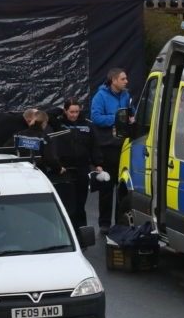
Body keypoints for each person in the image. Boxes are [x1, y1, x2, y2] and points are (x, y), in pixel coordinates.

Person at [91, 68, 133, 232]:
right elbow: (96, 118)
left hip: (123, 146)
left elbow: (131, 112)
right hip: (107, 146)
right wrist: (117, 119)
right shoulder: (100, 96)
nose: (126, 81)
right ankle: (104, 223)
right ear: (114, 80)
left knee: (122, 186)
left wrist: (131, 117)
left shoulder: (126, 95)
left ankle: (120, 221)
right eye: (123, 79)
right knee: (107, 187)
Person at [53, 98, 104, 230]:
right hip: (64, 170)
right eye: (71, 112)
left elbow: (94, 145)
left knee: (81, 203)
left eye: (76, 111)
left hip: (82, 168)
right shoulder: (57, 123)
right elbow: (45, 115)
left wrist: (98, 163)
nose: (74, 115)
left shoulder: (88, 125)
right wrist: (58, 110)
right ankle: (67, 231)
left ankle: (82, 232)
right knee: (67, 203)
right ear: (65, 111)